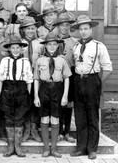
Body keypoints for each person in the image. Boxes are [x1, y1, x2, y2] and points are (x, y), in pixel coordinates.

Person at [70, 15, 112, 160]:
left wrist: (98, 82)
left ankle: (92, 149)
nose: (83, 32)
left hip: (92, 81)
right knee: (80, 116)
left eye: (86, 29)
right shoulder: (75, 47)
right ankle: (81, 147)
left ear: (90, 29)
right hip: (78, 81)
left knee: (92, 116)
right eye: (80, 29)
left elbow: (108, 68)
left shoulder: (98, 46)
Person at [33, 32, 71, 158]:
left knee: (55, 118)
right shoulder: (40, 60)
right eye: (49, 44)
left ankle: (54, 149)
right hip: (43, 89)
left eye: (54, 44)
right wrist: (36, 96)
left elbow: (66, 78)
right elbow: (36, 79)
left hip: (57, 89)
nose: (52, 47)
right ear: (45, 46)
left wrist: (65, 95)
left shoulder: (62, 60)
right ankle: (46, 149)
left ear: (57, 45)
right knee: (44, 118)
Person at [0, 36, 32, 157]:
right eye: (13, 48)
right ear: (9, 49)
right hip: (7, 89)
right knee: (8, 117)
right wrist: (1, 94)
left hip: (22, 90)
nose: (16, 50)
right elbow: (0, 79)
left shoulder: (26, 62)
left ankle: (18, 147)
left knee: (19, 117)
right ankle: (10, 146)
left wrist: (28, 95)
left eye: (18, 47)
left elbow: (29, 80)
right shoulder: (5, 61)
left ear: (22, 49)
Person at [52, 12, 76, 143]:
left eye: (67, 25)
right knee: (58, 103)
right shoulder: (52, 41)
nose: (64, 28)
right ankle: (59, 131)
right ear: (58, 26)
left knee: (68, 104)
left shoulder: (74, 42)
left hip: (70, 75)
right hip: (56, 74)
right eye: (62, 25)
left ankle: (67, 132)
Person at [19, 17, 44, 142]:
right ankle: (25, 129)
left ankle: (34, 129)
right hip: (23, 78)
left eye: (32, 28)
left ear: (35, 29)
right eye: (27, 28)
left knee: (35, 104)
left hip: (36, 77)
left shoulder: (40, 43)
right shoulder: (19, 43)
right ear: (23, 30)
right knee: (24, 103)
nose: (30, 31)